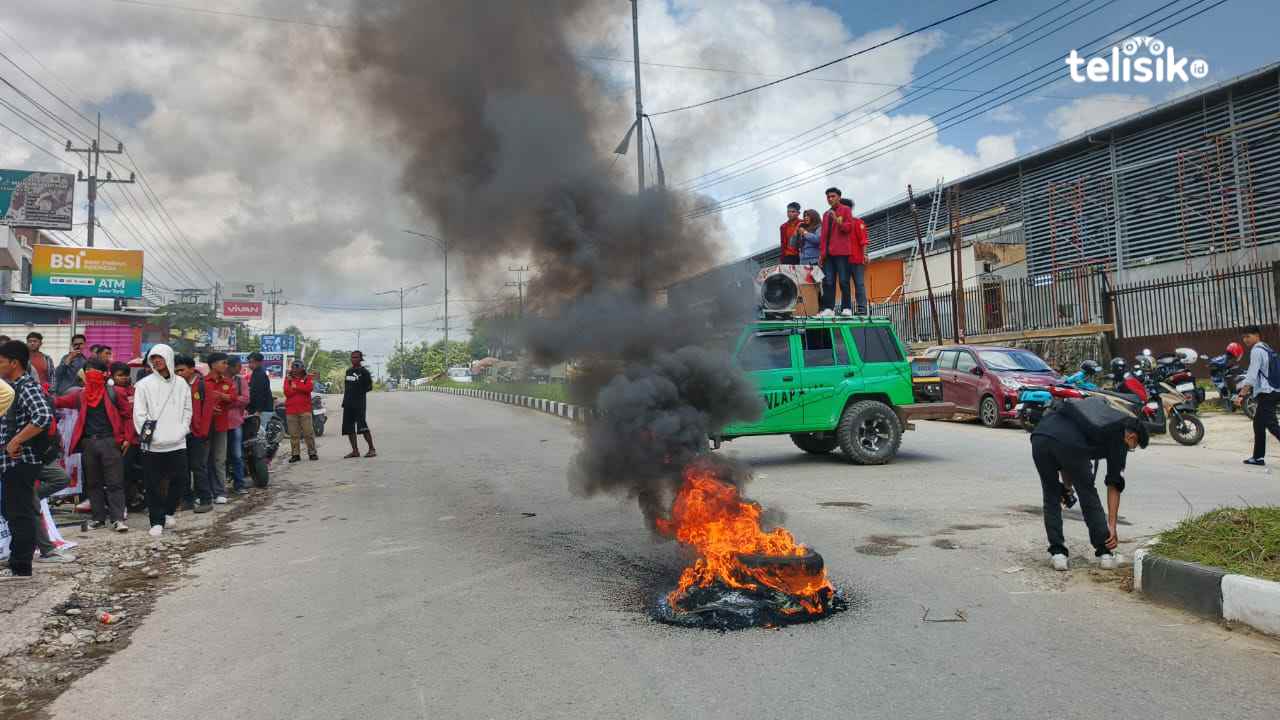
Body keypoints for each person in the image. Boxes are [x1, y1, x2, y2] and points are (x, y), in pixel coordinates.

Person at [1030, 400, 1148, 571]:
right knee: (1088, 495)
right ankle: (1105, 553)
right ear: (1132, 437)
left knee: (1051, 496)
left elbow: (1066, 455)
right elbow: (1114, 484)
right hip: (1068, 443)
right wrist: (1112, 526)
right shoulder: (1119, 436)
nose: (1130, 450)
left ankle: (1058, 554)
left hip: (1040, 437)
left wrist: (1067, 487)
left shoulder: (1100, 417)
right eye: (1133, 447)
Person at [53, 359, 130, 532]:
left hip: (110, 441)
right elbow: (59, 402)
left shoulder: (115, 392)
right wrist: (42, 394)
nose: (90, 374)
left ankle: (117, 519)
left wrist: (127, 438)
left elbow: (128, 416)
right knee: (93, 483)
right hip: (89, 443)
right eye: (87, 370)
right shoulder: (81, 395)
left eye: (93, 370)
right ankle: (98, 519)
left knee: (114, 482)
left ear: (103, 374)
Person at [0, 340, 54, 580]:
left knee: (19, 513)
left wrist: (16, 441)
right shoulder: (11, 386)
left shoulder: (25, 385)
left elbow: (43, 415)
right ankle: (17, 561)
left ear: (14, 362)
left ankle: (21, 567)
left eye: (1, 360)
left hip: (22, 462)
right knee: (12, 511)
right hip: (11, 463)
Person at [133, 345, 194, 538]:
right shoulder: (143, 385)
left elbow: (187, 410)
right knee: (152, 483)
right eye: (153, 358)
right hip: (153, 444)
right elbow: (139, 415)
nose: (156, 361)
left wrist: (182, 430)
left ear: (168, 358)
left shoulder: (182, 384)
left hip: (177, 441)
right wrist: (153, 437)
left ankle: (168, 511)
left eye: (160, 357)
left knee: (181, 479)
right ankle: (156, 520)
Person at [172, 355, 213, 513]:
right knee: (182, 468)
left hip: (197, 434)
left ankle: (205, 499)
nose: (179, 373)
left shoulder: (203, 386)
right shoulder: (176, 386)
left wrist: (202, 433)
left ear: (191, 369)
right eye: (176, 371)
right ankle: (187, 500)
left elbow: (207, 412)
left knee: (198, 467)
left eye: (182, 370)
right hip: (181, 434)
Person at [817, 187, 866, 317]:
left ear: (839, 197)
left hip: (842, 252)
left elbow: (848, 228)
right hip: (828, 253)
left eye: (833, 196)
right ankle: (829, 308)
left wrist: (838, 221)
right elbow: (824, 236)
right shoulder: (826, 214)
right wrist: (822, 254)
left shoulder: (845, 210)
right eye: (828, 197)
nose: (830, 199)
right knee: (828, 282)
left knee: (844, 281)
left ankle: (846, 308)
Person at [1238, 324, 1280, 466]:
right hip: (1274, 390)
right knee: (1258, 423)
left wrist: (1242, 394)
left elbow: (1252, 374)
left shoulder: (1256, 350)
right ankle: (1258, 457)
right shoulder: (1266, 348)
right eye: (1243, 337)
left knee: (1272, 425)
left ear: (1257, 335)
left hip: (1267, 392)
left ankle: (1258, 457)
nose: (1245, 340)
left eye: (1248, 336)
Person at [109, 362, 143, 510]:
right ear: (112, 376)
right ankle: (123, 503)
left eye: (125, 375)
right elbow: (126, 415)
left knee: (132, 472)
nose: (123, 378)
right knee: (122, 472)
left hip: (136, 438)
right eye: (119, 375)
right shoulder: (112, 392)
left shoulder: (134, 390)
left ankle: (133, 498)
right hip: (122, 439)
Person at [223, 356, 251, 494]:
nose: (240, 369)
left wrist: (228, 400)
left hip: (235, 422)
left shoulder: (241, 381)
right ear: (230, 366)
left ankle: (239, 484)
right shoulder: (219, 380)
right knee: (219, 457)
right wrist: (233, 400)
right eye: (238, 366)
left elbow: (245, 399)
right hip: (219, 424)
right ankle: (219, 487)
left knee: (237, 455)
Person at [342, 351, 376, 459]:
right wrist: (345, 401)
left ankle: (372, 449)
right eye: (352, 357)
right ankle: (355, 451)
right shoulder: (348, 371)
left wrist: (359, 391)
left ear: (361, 359)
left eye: (356, 357)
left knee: (362, 426)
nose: (353, 359)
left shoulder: (364, 372)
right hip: (348, 404)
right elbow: (347, 387)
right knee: (349, 428)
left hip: (359, 404)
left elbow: (369, 387)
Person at [284, 360, 318, 463]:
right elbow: (287, 392)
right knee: (294, 434)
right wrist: (298, 388)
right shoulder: (288, 379)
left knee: (308, 432)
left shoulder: (307, 378)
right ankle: (295, 454)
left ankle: (312, 453)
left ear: (302, 368)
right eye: (293, 367)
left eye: (297, 367)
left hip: (305, 410)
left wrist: (295, 387)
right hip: (291, 410)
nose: (295, 369)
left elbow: (309, 388)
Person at [247, 351, 274, 443]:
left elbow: (260, 394)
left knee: (260, 434)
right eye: (249, 362)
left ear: (259, 362)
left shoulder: (260, 374)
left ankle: (263, 455)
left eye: (252, 362)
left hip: (262, 410)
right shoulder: (255, 373)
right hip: (259, 409)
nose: (250, 364)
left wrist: (258, 411)